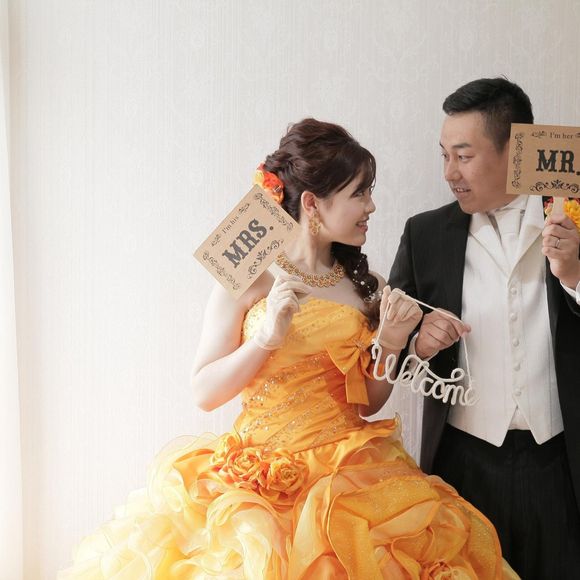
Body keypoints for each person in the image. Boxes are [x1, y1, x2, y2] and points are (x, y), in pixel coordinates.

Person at [60, 118, 517, 579]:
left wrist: (396, 344)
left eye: (370, 191)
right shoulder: (249, 277)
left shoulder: (368, 287)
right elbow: (204, 392)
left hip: (350, 474)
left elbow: (367, 403)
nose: (371, 206)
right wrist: (265, 339)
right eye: (359, 193)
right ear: (313, 203)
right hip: (257, 485)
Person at [389, 77, 580, 579]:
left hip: (560, 462)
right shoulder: (424, 234)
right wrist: (419, 343)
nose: (449, 172)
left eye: (464, 156)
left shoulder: (572, 217)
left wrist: (574, 277)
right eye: (444, 155)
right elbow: (388, 350)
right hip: (463, 463)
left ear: (515, 152)